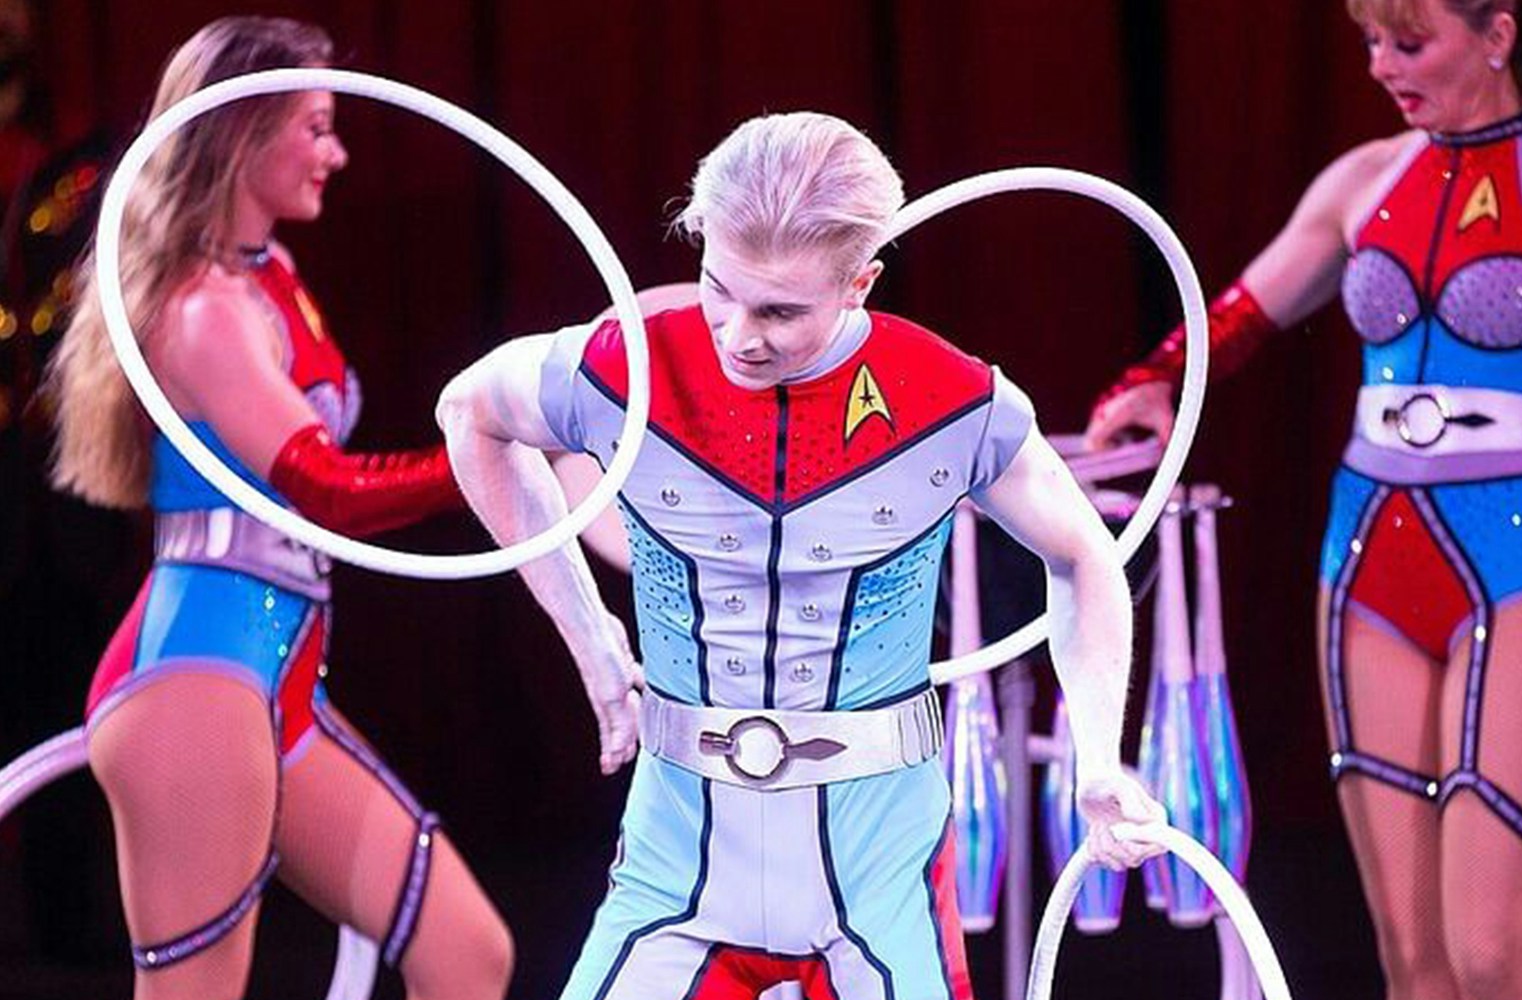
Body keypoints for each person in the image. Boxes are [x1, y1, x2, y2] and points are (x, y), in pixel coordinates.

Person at [438, 110, 1164, 1000]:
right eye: (718, 289)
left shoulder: (951, 398)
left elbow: (1087, 558)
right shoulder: (625, 362)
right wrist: (594, 645)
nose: (740, 335)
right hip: (678, 865)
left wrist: (1098, 757)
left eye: (781, 310)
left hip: (879, 865)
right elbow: (468, 417)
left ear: (861, 282)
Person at [1087, 2, 1522, 998]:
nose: (1379, 67)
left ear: (1497, 34)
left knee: (1490, 951)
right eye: (1369, 42)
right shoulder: (1366, 180)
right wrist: (1149, 380)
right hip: (1367, 551)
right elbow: (1235, 315)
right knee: (1413, 962)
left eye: (1409, 44)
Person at [45, 17, 514, 999]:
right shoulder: (204, 309)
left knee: (469, 954)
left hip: (278, 679)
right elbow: (325, 494)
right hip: (197, 681)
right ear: (246, 132)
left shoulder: (272, 280)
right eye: (316, 126)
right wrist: (484, 461)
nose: (337, 153)